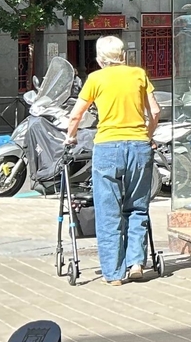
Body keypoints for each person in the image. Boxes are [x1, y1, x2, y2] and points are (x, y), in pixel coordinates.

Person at [66, 36, 161, 286]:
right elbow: (155, 111)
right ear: (123, 56)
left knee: (108, 211)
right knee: (137, 206)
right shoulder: (138, 75)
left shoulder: (95, 79)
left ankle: (114, 274)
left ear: (100, 58)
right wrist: (148, 134)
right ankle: (136, 262)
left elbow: (76, 116)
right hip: (139, 146)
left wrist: (70, 138)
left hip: (107, 147)